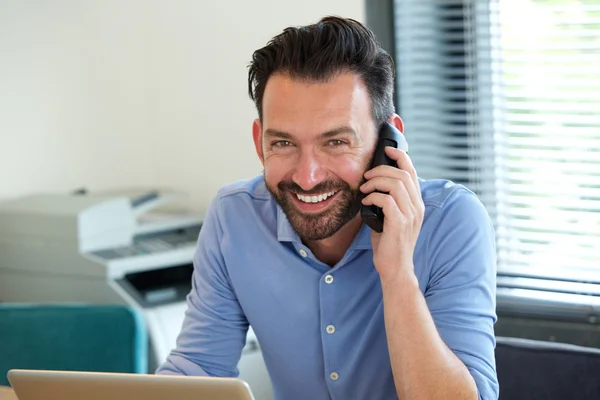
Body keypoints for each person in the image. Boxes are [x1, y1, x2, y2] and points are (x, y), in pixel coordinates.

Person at [156, 15, 499, 400]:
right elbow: (198, 372)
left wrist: (398, 273)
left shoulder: (452, 221)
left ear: (390, 142)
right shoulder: (233, 218)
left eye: (335, 142)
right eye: (283, 144)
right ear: (259, 142)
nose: (307, 177)